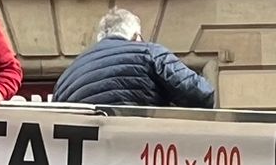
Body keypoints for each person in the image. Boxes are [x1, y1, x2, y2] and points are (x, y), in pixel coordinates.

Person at [52, 9, 216, 109]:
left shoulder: (66, 77)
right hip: (138, 150)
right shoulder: (148, 52)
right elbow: (202, 94)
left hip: (91, 155)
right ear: (136, 36)